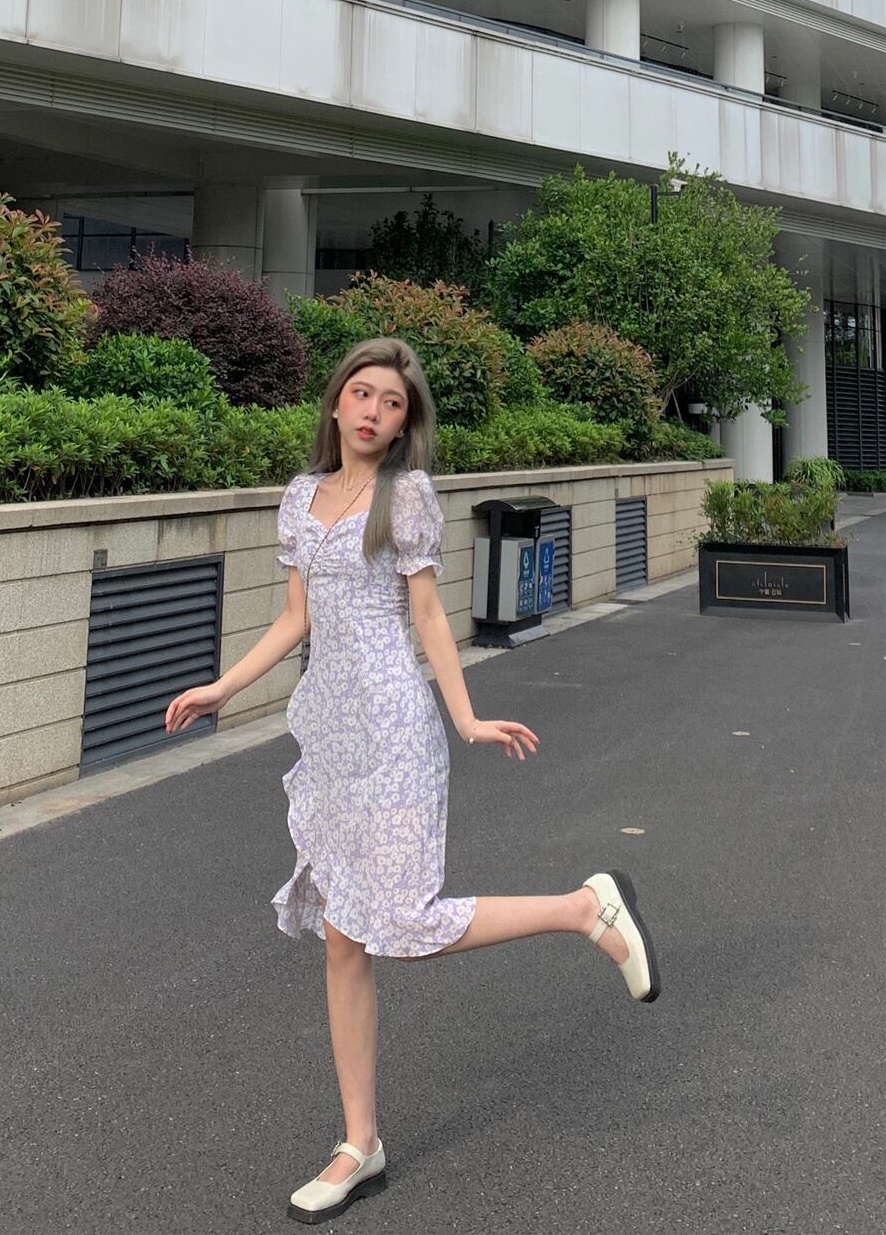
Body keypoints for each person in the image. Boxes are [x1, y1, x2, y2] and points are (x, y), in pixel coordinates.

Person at [164, 337, 660, 1226]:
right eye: (362, 394)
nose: (373, 412)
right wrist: (222, 687)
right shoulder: (301, 496)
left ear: (404, 424)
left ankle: (584, 907)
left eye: (392, 403)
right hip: (331, 733)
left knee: (403, 919)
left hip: (395, 729)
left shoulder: (409, 497)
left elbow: (428, 611)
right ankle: (361, 1142)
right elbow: (295, 616)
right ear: (336, 402)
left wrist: (465, 716)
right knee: (343, 938)